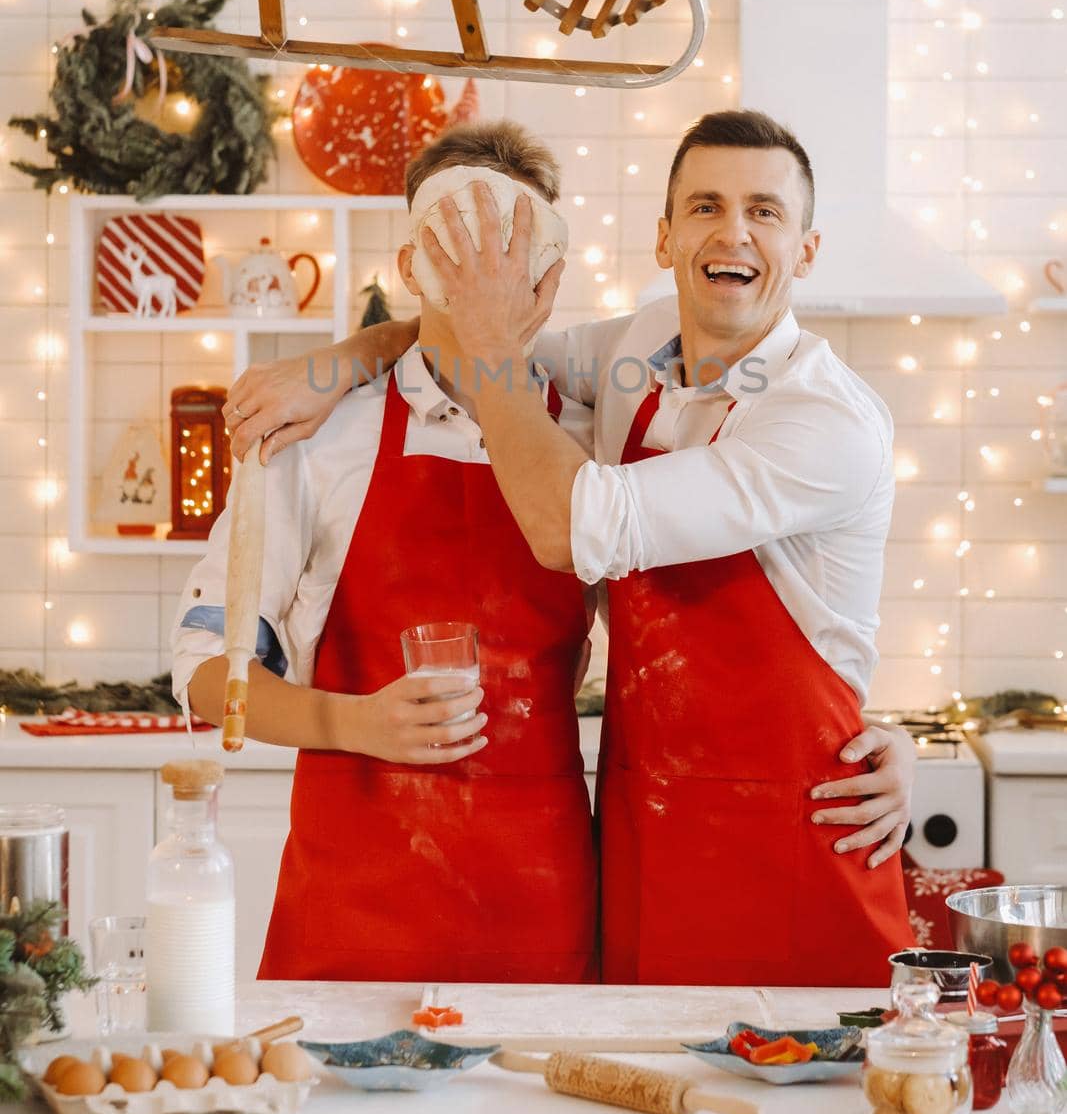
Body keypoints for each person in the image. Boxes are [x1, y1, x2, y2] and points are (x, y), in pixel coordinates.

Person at [224, 111, 917, 987]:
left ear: (806, 250)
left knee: (813, 1110)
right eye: (705, 206)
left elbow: (569, 522)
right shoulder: (631, 357)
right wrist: (332, 362)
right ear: (665, 239)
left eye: (765, 212)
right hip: (640, 844)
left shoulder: (823, 421)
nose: (732, 231)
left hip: (800, 830)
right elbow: (460, 340)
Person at [171, 122, 597, 983]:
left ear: (548, 278)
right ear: (410, 269)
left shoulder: (593, 436)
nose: (485, 277)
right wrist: (350, 720)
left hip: (540, 904)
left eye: (510, 252)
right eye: (456, 248)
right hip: (354, 907)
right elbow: (206, 676)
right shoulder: (319, 435)